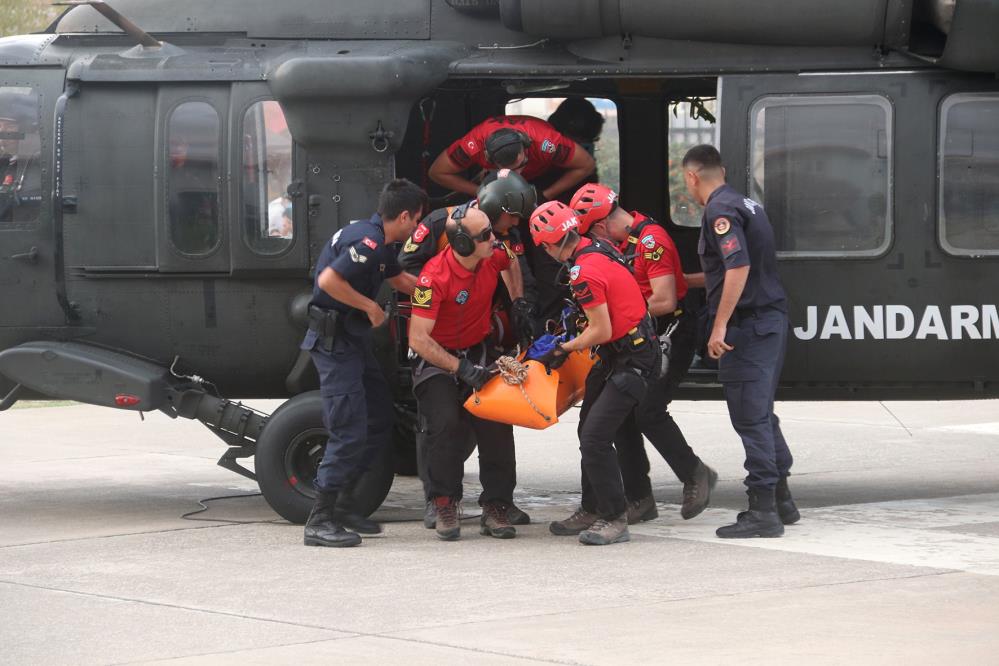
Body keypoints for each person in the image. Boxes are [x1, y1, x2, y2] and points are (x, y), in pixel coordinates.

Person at [567, 183, 717, 525]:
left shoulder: (650, 241)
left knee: (648, 410)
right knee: (620, 416)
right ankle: (639, 497)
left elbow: (665, 300)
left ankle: (695, 473)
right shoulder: (619, 243)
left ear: (600, 226)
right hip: (636, 335)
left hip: (668, 333)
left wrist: (617, 314)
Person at [399, 170, 537, 530]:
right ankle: (443, 503)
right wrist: (460, 370)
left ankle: (497, 504)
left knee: (497, 422)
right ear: (462, 245)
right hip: (437, 357)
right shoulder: (432, 280)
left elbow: (511, 263)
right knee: (444, 424)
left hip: (478, 349)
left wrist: (518, 302)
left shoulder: (492, 254)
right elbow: (418, 339)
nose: (496, 239)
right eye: (486, 235)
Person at [300, 179, 426, 548]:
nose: (418, 228)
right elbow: (329, 280)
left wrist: (436, 293)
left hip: (353, 343)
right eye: (417, 220)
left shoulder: (380, 241)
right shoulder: (367, 242)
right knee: (349, 429)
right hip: (335, 344)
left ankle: (346, 507)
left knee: (379, 417)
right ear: (403, 216)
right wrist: (370, 306)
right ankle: (319, 521)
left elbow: (398, 278)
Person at [682, 144, 799, 538]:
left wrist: (719, 326)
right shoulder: (746, 203)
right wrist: (685, 282)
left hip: (748, 328)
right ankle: (782, 501)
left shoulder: (719, 211)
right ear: (723, 169)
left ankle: (763, 512)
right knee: (762, 412)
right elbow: (727, 267)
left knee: (750, 417)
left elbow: (739, 266)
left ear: (692, 177)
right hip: (768, 321)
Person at [529, 201, 661, 546]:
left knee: (595, 437)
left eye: (543, 246)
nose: (544, 252)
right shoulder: (596, 246)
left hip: (633, 357)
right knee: (589, 429)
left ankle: (613, 517)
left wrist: (563, 349)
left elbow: (600, 329)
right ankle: (591, 507)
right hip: (619, 351)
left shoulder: (583, 272)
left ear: (550, 243)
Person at [429, 115, 595, 202]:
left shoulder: (545, 143)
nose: (516, 174)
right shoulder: (474, 145)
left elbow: (586, 165)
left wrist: (546, 194)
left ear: (526, 148)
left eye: (519, 166)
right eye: (508, 169)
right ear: (488, 157)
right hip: (496, 183)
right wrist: (481, 192)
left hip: (542, 177)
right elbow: (437, 172)